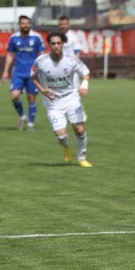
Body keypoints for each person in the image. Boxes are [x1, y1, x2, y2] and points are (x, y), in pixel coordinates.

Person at [30, 31, 93, 168]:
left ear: (63, 44)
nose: (56, 46)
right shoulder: (41, 61)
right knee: (61, 135)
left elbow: (86, 73)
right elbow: (33, 77)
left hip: (71, 99)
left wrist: (84, 84)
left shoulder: (71, 60)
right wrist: (42, 90)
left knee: (79, 129)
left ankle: (82, 158)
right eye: (53, 44)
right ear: (49, 45)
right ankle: (66, 149)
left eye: (59, 43)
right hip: (53, 102)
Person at [1, 15, 45, 131]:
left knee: (31, 98)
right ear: (19, 24)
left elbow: (42, 54)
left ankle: (30, 124)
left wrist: (43, 69)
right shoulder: (14, 38)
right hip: (18, 73)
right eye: (23, 23)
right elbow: (10, 55)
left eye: (27, 23)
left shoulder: (36, 37)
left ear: (30, 24)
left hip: (32, 73)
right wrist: (5, 71)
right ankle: (22, 116)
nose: (25, 25)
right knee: (14, 95)